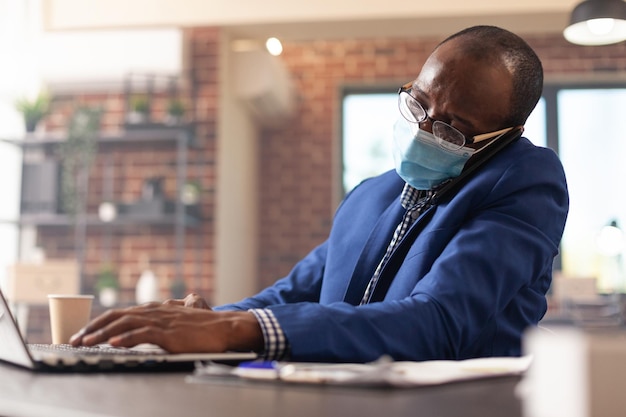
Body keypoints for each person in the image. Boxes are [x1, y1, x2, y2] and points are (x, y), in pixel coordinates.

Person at [70, 25, 569, 363]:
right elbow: (298, 290)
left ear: (506, 133)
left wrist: (239, 331)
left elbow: (437, 320)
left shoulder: (526, 182)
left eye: (454, 128)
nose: (424, 128)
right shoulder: (373, 195)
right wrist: (208, 321)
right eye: (417, 103)